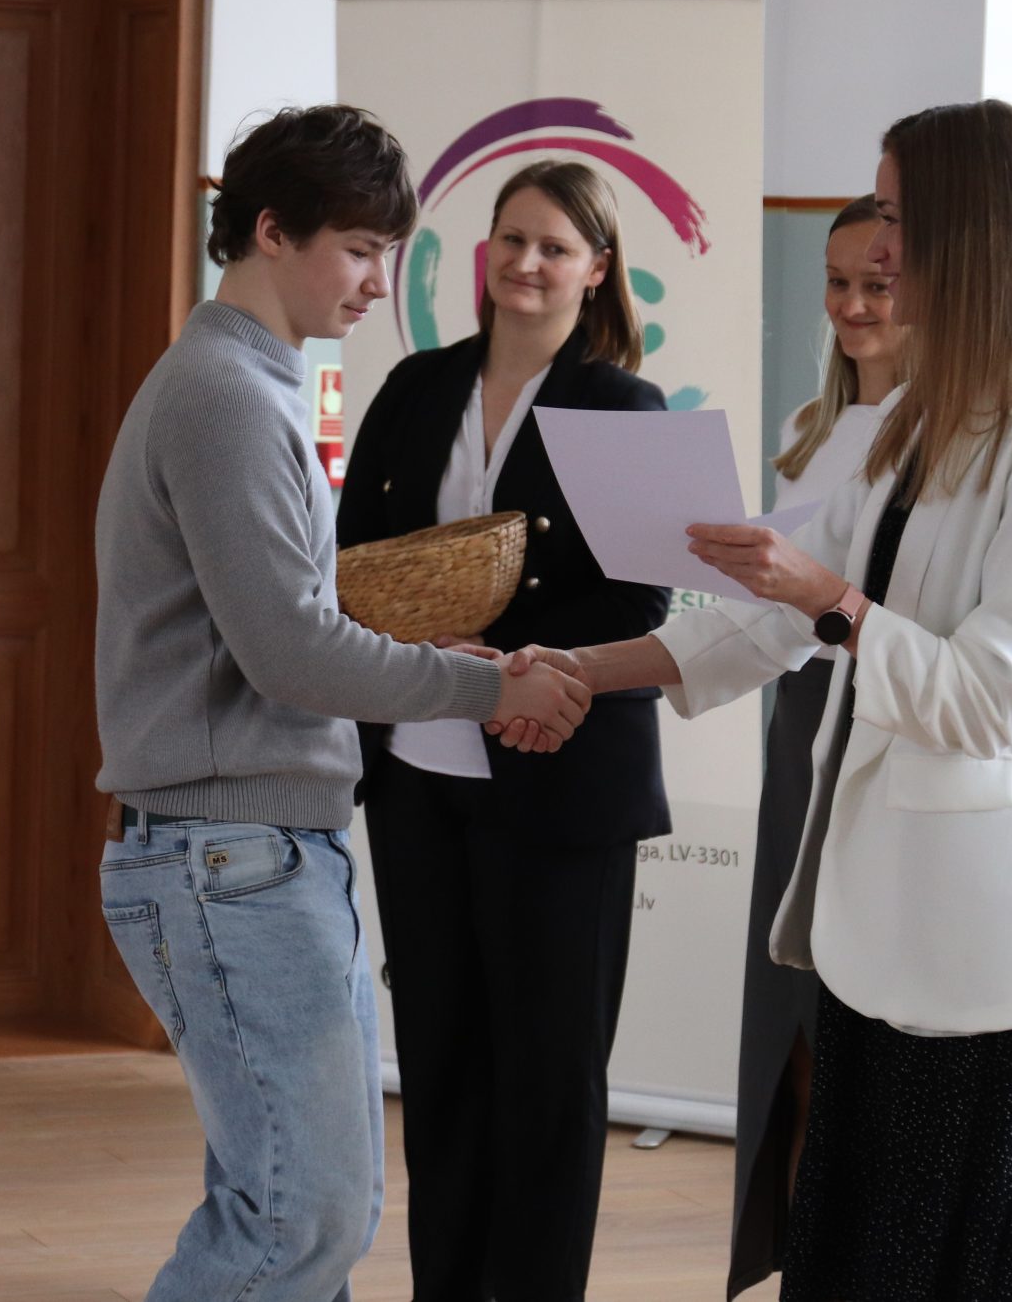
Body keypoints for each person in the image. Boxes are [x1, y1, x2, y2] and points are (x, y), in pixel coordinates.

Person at [503, 99, 1012, 1300]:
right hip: (879, 937)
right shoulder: (917, 419)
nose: (878, 248)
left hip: (995, 959)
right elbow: (763, 620)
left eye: (895, 214)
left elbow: (988, 696)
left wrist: (831, 599)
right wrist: (583, 667)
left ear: (969, 227)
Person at [93, 105, 595, 1302]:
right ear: (272, 231)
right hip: (229, 857)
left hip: (245, 852)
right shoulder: (225, 393)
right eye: (361, 250)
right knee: (303, 1223)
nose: (380, 283)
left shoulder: (243, 381)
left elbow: (287, 629)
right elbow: (292, 656)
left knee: (291, 1212)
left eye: (389, 254)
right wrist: (487, 683)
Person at [337, 160, 672, 1302]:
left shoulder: (625, 408)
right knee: (441, 1068)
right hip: (417, 769)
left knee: (550, 1081)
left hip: (560, 772)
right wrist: (424, 651)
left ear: (598, 270)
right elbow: (353, 559)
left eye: (555, 247)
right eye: (511, 238)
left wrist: (513, 661)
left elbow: (642, 600)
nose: (526, 263)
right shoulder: (414, 384)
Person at [727, 193, 906, 1299]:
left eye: (874, 285)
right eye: (837, 283)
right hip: (798, 720)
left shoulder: (939, 440)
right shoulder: (814, 426)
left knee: (842, 1031)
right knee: (787, 1030)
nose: (850, 305)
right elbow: (776, 607)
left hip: (874, 719)